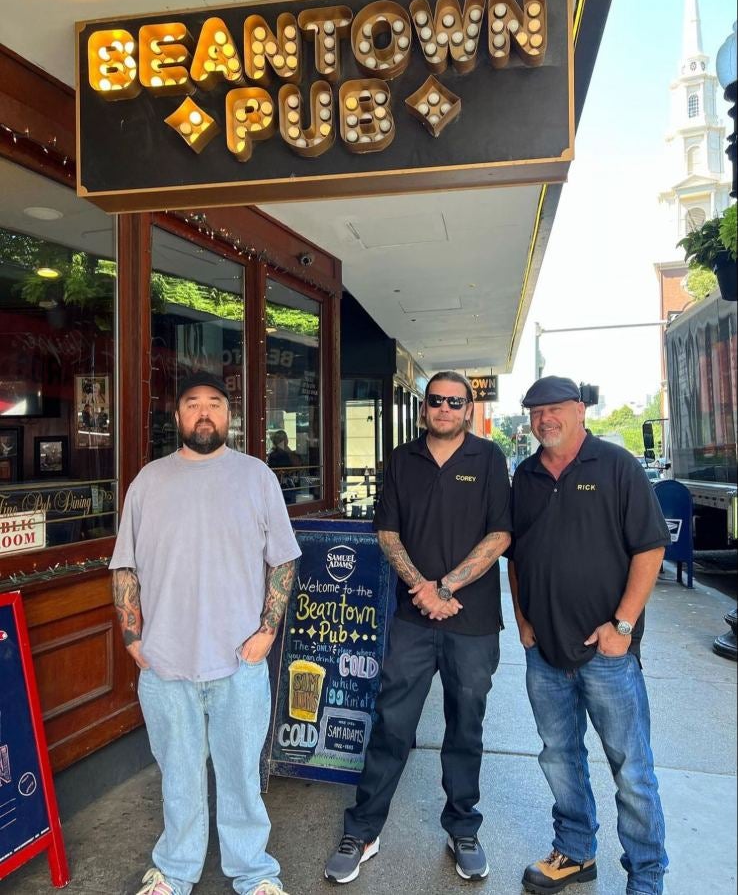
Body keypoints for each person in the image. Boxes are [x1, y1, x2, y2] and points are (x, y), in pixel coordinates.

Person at [109, 371, 301, 895]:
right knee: (178, 778)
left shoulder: (256, 476)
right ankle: (174, 870)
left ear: (228, 416)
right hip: (166, 663)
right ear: (177, 417)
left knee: (241, 777)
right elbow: (124, 567)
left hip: (240, 661)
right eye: (192, 404)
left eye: (214, 404)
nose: (203, 413)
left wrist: (266, 632)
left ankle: (255, 872)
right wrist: (132, 638)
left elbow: (283, 562)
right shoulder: (149, 480)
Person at [324, 370, 512, 884]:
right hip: (412, 620)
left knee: (466, 727)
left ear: (469, 409)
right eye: (437, 401)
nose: (446, 408)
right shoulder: (401, 461)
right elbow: (387, 533)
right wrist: (424, 591)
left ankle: (463, 828)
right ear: (424, 407)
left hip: (472, 624)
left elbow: (500, 535)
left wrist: (445, 587)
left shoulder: (489, 459)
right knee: (391, 724)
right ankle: (363, 828)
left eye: (456, 401)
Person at [507, 376, 670, 895]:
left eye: (554, 409)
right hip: (545, 652)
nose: (544, 419)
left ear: (579, 410)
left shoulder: (616, 467)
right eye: (535, 411)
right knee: (559, 757)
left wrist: (621, 626)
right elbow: (516, 556)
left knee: (631, 770)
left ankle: (646, 876)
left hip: (607, 655)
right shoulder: (525, 476)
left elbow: (649, 548)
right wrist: (525, 622)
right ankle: (576, 851)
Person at [267, 430, 301, 504]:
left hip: (288, 484)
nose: (286, 441)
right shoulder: (274, 455)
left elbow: (298, 465)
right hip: (282, 485)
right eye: (284, 439)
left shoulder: (285, 453)